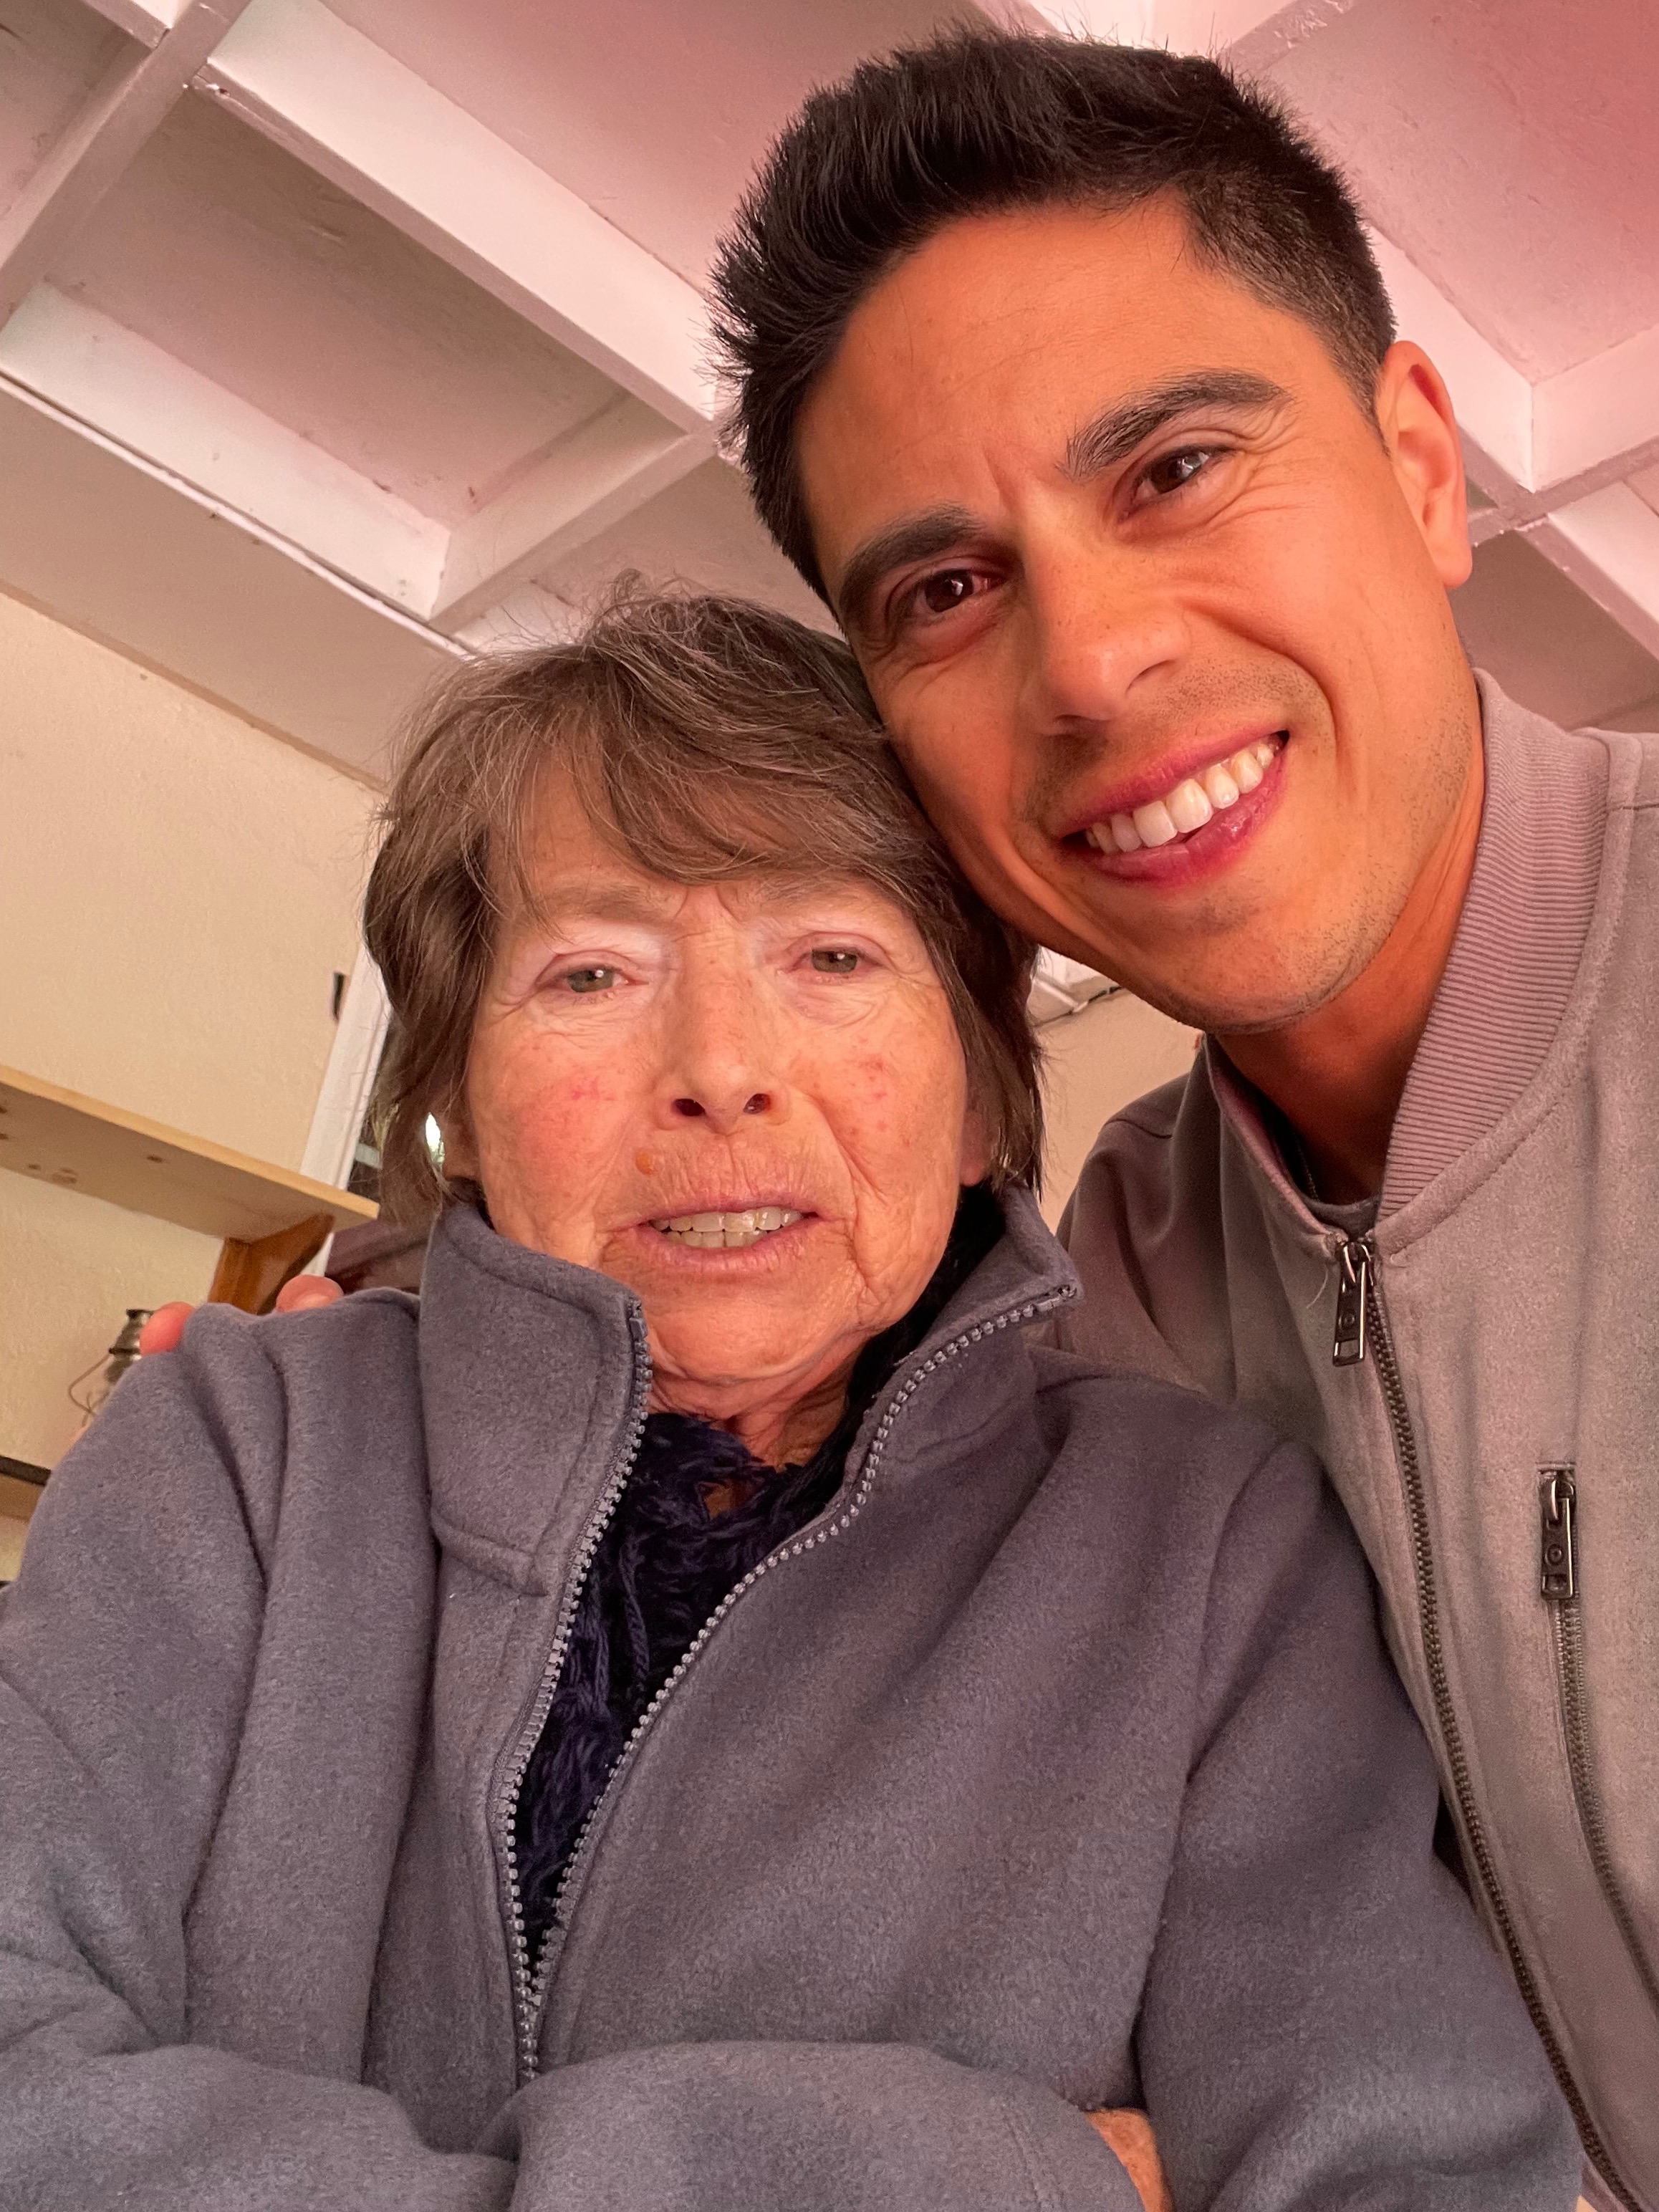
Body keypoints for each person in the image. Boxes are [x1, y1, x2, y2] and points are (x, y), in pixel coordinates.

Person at [0, 591, 1577, 2212]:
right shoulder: (236, 1449)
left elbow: (1412, 2177)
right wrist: (1001, 2177)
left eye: (832, 956)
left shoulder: (1210, 1548)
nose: (721, 1066)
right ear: (458, 1098)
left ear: (981, 1097)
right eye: (593, 971)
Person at [704, 28, 1659, 2212]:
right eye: (944, 591)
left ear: (1420, 466)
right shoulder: (1115, 1279)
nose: (1088, 662)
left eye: (1174, 469)